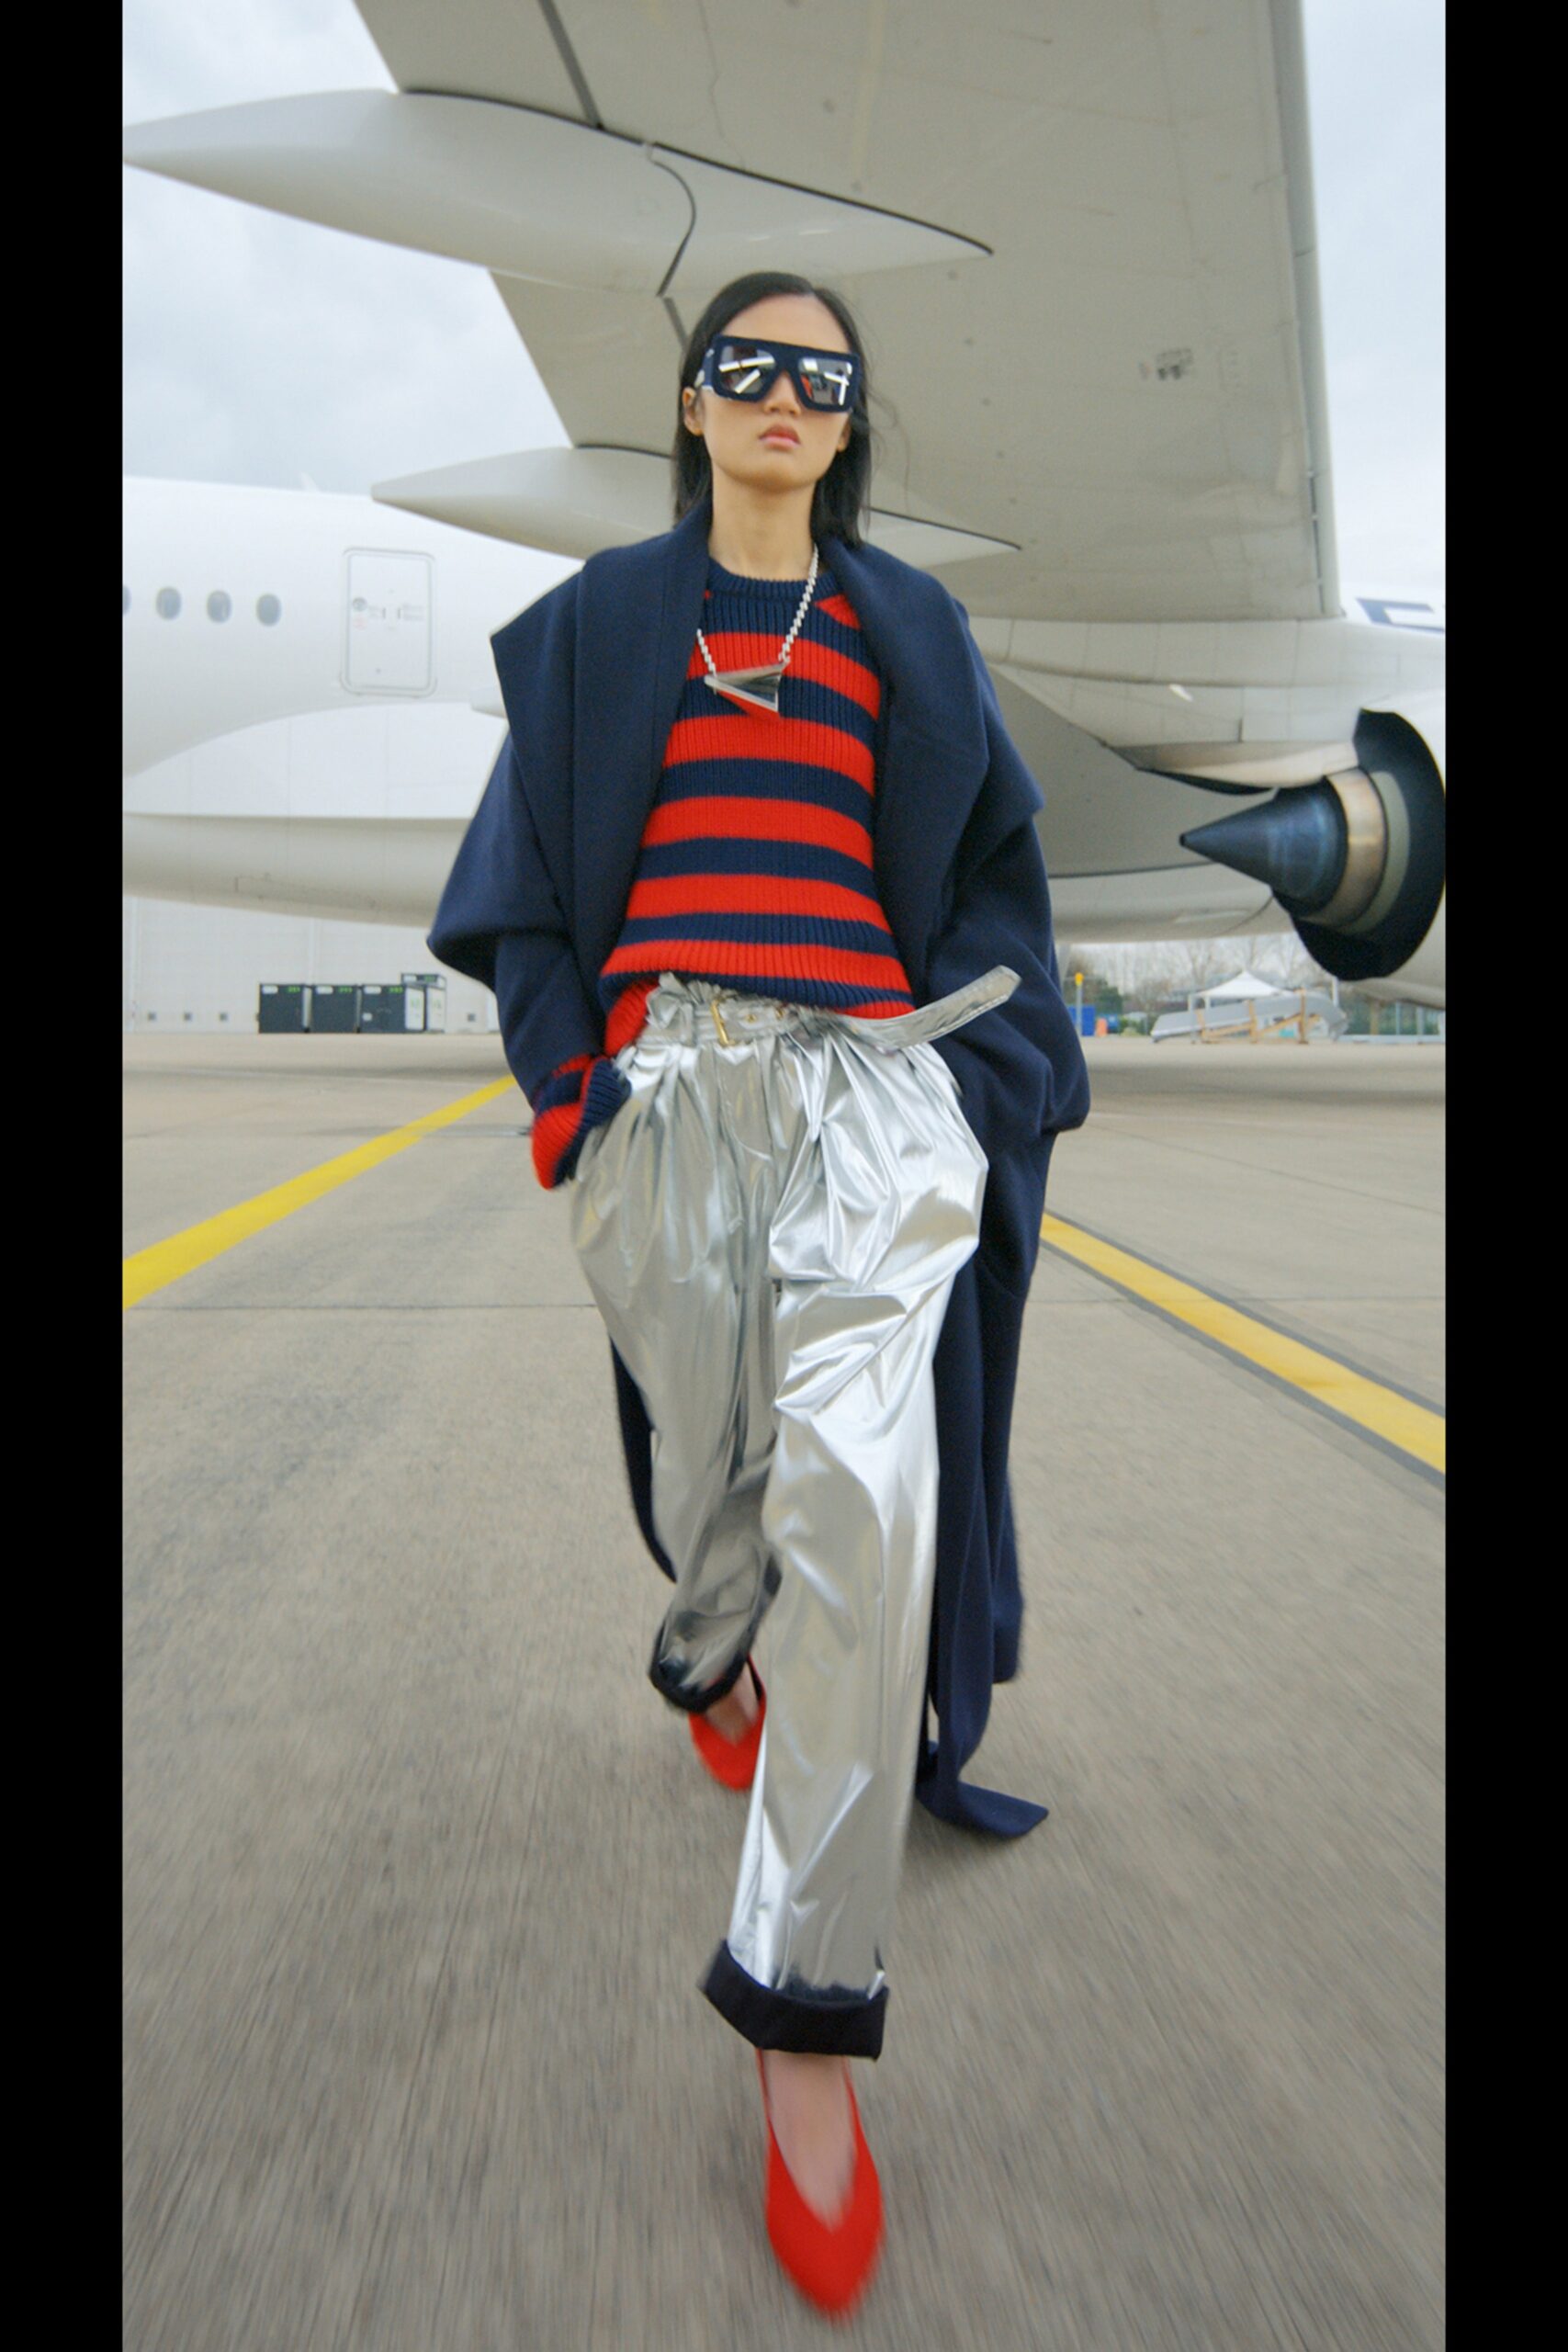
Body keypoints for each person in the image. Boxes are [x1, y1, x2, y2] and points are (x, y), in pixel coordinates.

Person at [428, 270, 1089, 2315]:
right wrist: (571, 1094)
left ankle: (805, 2020)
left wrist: (974, 1098)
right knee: (727, 1490)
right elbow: (521, 885)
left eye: (821, 372)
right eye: (746, 367)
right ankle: (714, 1645)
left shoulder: (912, 633)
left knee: (864, 1509)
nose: (784, 394)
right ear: (695, 407)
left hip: (874, 1097)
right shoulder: (601, 626)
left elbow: (989, 886)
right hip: (660, 1096)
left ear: (850, 418)